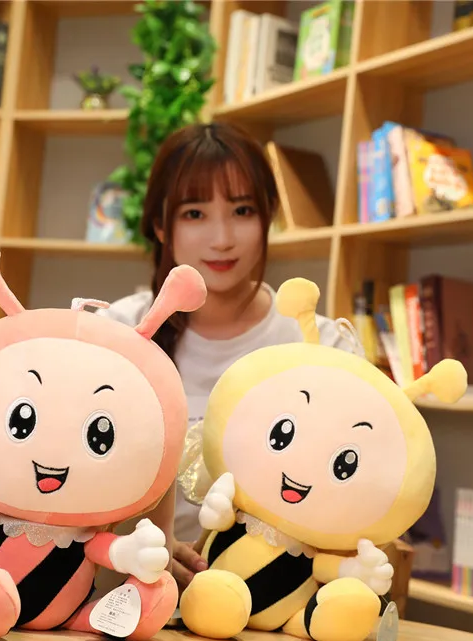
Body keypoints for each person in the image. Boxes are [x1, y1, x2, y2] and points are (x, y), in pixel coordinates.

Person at [95, 122, 364, 594]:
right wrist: (140, 547)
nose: (222, 238)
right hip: (126, 596)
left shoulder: (322, 347)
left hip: (275, 606)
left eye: (242, 210)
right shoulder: (116, 335)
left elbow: (355, 500)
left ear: (268, 217)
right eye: (195, 213)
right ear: (160, 225)